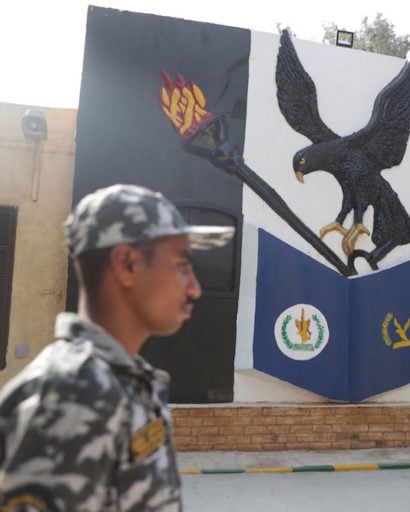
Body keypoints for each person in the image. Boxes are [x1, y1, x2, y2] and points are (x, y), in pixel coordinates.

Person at [0, 184, 234, 511]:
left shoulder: (119, 382)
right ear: (127, 265)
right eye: (182, 266)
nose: (195, 288)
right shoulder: (69, 398)